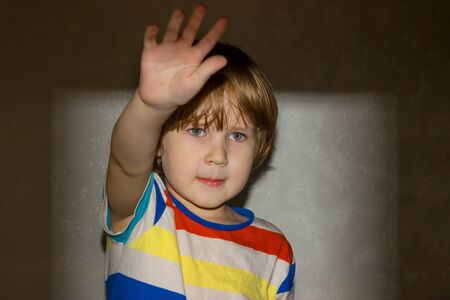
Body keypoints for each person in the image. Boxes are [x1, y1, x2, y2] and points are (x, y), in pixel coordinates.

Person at [101, 4, 295, 299]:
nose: (218, 155)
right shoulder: (146, 210)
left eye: (238, 135)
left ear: (260, 146)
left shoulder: (274, 249)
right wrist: (150, 107)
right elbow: (126, 162)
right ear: (156, 145)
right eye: (197, 130)